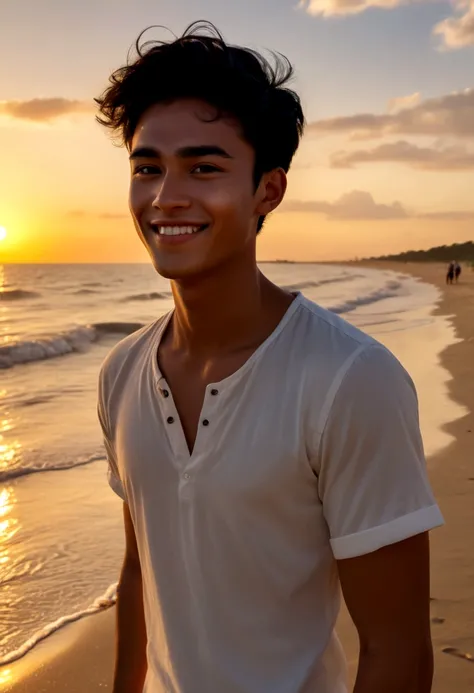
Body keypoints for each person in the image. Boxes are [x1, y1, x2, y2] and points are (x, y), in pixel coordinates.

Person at [96, 22, 443, 693]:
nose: (167, 196)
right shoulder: (122, 375)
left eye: (204, 167)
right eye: (148, 167)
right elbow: (142, 570)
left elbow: (398, 651)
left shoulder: (349, 380)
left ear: (267, 190)